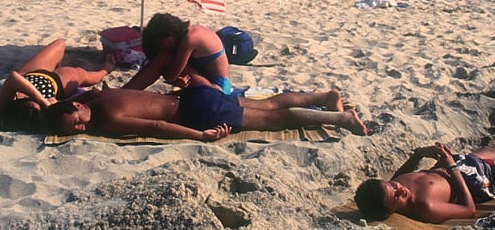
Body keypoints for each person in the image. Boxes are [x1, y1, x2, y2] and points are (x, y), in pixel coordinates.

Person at [353, 110, 495, 223]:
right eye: (398, 197)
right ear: (392, 210)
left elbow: (401, 176)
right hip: (477, 183)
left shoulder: (396, 185)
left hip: (457, 166)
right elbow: (468, 209)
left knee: (494, 151)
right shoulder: (423, 206)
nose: (401, 189)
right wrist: (451, 168)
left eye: (394, 186)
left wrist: (418, 155)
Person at [44, 84, 367, 139]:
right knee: (266, 104)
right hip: (192, 95)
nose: (82, 130)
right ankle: (324, 96)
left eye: (77, 124)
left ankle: (340, 118)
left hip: (196, 114)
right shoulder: (99, 96)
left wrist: (200, 135)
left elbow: (157, 126)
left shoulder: (107, 118)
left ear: (77, 107)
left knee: (273, 119)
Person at [0, 38, 116, 132]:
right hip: (54, 82)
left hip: (29, 73)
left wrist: (41, 101)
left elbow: (13, 78)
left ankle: (57, 64)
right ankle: (105, 69)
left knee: (60, 43)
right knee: (81, 74)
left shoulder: (4, 107)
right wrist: (48, 103)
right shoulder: (43, 116)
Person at [124, 13, 235, 94]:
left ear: (170, 35)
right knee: (164, 58)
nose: (162, 46)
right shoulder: (186, 33)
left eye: (161, 42)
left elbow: (170, 76)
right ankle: (126, 90)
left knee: (164, 58)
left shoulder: (190, 39)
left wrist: (173, 77)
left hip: (217, 88)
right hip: (206, 78)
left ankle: (126, 91)